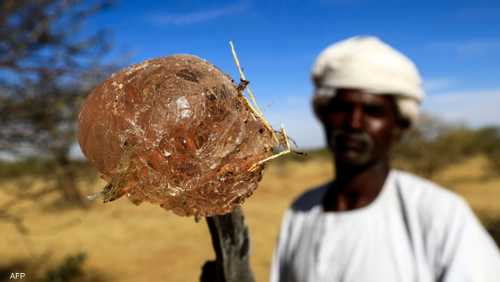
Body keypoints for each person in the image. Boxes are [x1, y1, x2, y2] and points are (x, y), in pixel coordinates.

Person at [270, 36, 500, 282]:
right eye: (342, 108)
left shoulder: (442, 216)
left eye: (373, 111)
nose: (354, 123)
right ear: (323, 115)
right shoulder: (301, 210)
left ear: (398, 126)